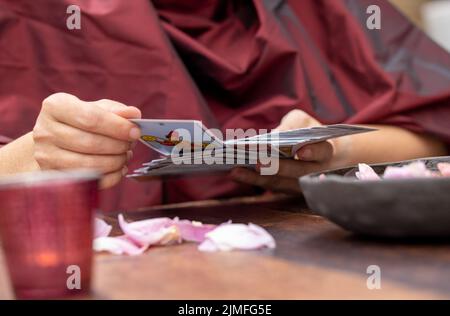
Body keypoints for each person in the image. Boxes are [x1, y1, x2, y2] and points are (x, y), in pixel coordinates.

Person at [0, 0, 449, 211]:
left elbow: (433, 127)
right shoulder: (32, 15)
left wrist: (334, 159)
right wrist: (37, 157)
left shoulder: (321, 8)